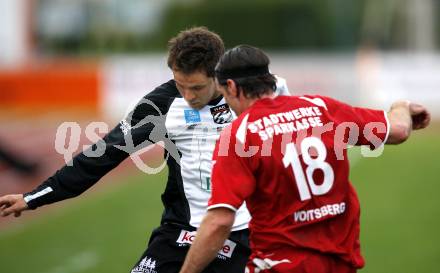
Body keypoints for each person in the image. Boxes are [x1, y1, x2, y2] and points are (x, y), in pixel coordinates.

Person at [0, 28, 289, 273]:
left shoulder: (261, 91)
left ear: (220, 75)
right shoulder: (160, 105)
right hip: (183, 231)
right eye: (180, 85)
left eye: (197, 87)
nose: (188, 96)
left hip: (252, 233)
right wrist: (34, 197)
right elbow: (102, 155)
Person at [179, 45, 431, 273]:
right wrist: (402, 106)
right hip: (340, 264)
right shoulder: (320, 107)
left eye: (224, 92)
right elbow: (399, 130)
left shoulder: (239, 135)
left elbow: (219, 220)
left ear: (232, 86)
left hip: (279, 265)